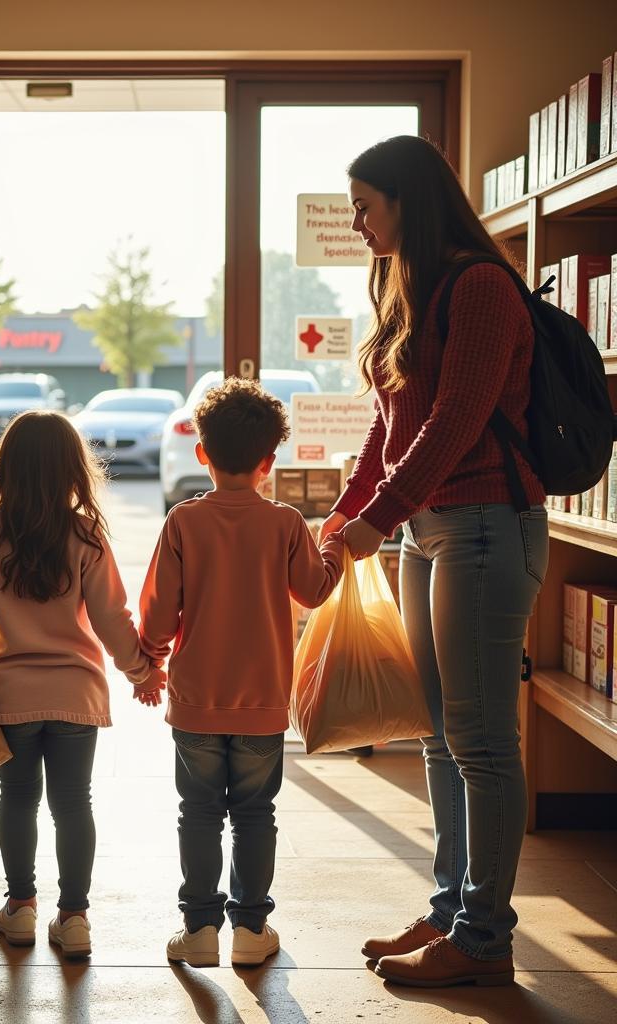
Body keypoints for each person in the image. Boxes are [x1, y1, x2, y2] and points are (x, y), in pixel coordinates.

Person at [322, 135, 547, 988]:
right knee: (440, 734)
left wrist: (376, 518)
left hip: (489, 523)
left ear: (408, 201)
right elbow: (389, 423)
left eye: (365, 205)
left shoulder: (482, 287)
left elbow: (453, 421)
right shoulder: (399, 284)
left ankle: (484, 939)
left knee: (483, 739)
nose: (356, 222)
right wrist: (348, 510)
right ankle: (453, 907)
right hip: (430, 530)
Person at [0, 411, 165, 959]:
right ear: (71, 468)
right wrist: (142, 672)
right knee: (73, 803)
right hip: (76, 696)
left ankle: (20, 909)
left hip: (10, 696)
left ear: (6, 465)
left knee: (17, 799)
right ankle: (75, 917)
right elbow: (112, 618)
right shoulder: (85, 533)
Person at [138, 377, 344, 968]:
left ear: (201, 453)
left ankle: (199, 928)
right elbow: (314, 589)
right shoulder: (283, 524)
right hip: (262, 702)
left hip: (197, 699)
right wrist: (329, 547)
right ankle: (252, 930)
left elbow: (158, 612)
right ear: (268, 462)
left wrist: (150, 658)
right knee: (256, 812)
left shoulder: (183, 522)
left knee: (198, 811)